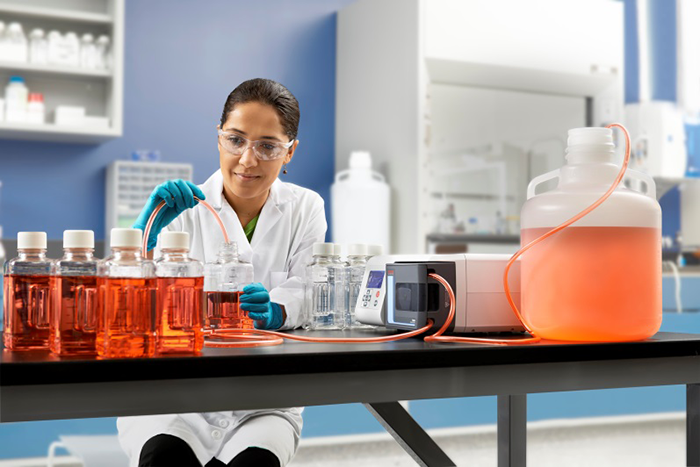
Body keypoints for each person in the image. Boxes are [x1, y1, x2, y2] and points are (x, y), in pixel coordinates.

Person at [117, 78, 327, 467]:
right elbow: (131, 306)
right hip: (173, 397)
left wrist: (278, 311)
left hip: (264, 401)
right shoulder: (183, 210)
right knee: (166, 458)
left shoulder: (305, 207)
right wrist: (145, 232)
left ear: (290, 152)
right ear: (219, 138)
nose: (248, 160)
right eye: (236, 140)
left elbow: (311, 285)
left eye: (267, 146)